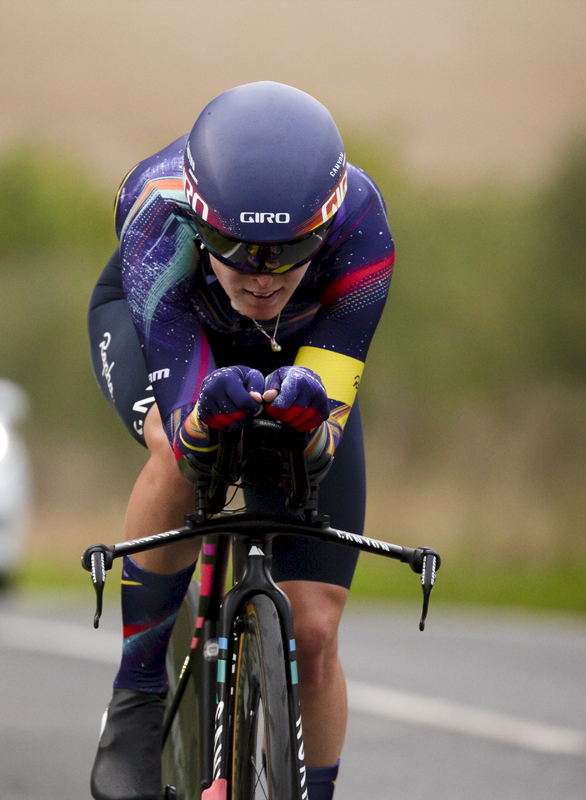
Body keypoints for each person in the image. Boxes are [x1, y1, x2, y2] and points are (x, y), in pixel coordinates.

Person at [87, 81, 394, 800]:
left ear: (326, 226)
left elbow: (324, 432)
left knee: (313, 626)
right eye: (235, 249)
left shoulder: (364, 224)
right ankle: (136, 696)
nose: (262, 278)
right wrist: (202, 423)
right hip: (173, 337)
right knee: (176, 445)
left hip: (298, 357)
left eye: (290, 253)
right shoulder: (155, 211)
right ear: (199, 223)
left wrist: (308, 426)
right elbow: (193, 425)